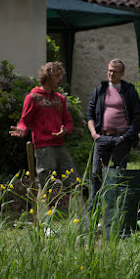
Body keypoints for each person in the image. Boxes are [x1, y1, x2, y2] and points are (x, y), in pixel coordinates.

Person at [10, 62, 81, 228]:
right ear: (47, 76)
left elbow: (68, 121)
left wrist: (66, 130)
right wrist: (21, 130)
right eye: (57, 75)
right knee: (46, 186)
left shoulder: (60, 98)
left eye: (60, 75)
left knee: (75, 182)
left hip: (61, 147)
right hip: (43, 147)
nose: (60, 78)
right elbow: (24, 121)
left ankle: (83, 223)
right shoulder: (33, 98)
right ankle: (46, 226)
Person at [86, 59, 140, 211]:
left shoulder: (129, 91)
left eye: (114, 71)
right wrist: (94, 133)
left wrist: (125, 137)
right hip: (102, 138)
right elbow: (90, 112)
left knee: (118, 175)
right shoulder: (100, 90)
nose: (111, 73)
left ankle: (116, 210)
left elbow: (137, 117)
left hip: (121, 139)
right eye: (109, 70)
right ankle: (94, 211)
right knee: (96, 175)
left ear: (122, 73)